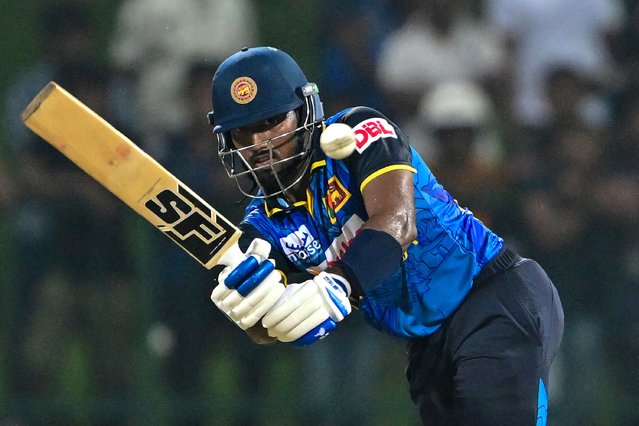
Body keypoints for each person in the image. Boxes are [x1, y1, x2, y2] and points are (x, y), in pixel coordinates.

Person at [205, 46, 564, 424]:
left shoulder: (360, 132)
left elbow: (397, 223)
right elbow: (270, 323)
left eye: (273, 121)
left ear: (305, 112)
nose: (260, 142)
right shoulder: (262, 224)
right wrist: (254, 312)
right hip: (426, 341)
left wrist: (339, 282)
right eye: (243, 131)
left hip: (491, 295)